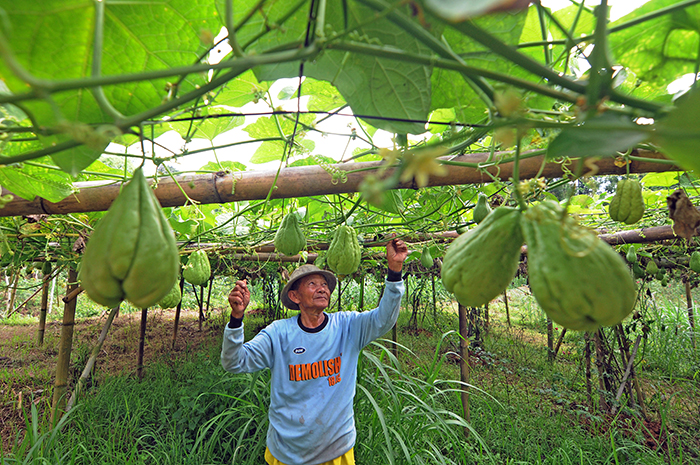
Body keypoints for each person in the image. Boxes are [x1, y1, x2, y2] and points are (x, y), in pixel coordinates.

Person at [221, 237, 408, 465]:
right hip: (287, 452)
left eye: (324, 284)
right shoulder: (278, 334)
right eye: (312, 284)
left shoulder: (348, 326)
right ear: (294, 296)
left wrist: (395, 272)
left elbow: (384, 319)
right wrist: (236, 319)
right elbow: (234, 362)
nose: (322, 289)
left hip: (336, 449)